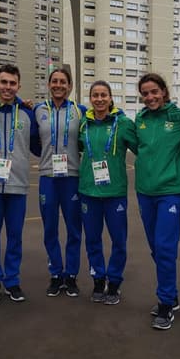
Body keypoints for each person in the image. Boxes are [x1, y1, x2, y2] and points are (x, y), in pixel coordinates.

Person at [0, 64, 41, 303]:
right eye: (4, 82)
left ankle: (12, 281)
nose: (8, 88)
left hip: (18, 184)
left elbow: (38, 146)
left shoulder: (27, 114)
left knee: (15, 236)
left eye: (13, 83)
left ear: (18, 86)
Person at [134, 73, 180, 330]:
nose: (150, 97)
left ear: (164, 92)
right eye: (145, 93)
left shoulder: (178, 118)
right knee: (156, 248)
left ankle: (166, 303)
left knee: (165, 247)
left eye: (154, 91)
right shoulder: (140, 120)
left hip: (170, 191)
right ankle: (172, 293)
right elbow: (138, 148)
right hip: (145, 191)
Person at [78, 81, 136, 305]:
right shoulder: (83, 124)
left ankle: (114, 282)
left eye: (103, 95)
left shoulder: (123, 124)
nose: (99, 99)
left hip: (115, 193)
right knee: (92, 240)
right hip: (88, 192)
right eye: (95, 95)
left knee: (118, 241)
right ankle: (97, 279)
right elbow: (77, 148)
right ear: (90, 99)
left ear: (111, 98)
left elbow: (142, 149)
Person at [33, 68, 86, 297]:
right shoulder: (38, 110)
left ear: (70, 86)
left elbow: (85, 140)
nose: (58, 85)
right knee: (50, 228)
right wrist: (45, 158)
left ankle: (71, 275)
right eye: (54, 81)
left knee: (74, 229)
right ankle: (56, 274)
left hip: (72, 177)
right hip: (48, 177)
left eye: (63, 82)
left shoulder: (80, 110)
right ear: (49, 84)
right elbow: (34, 141)